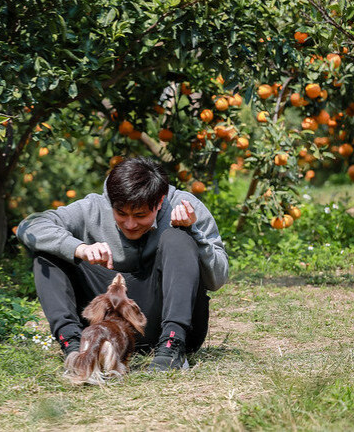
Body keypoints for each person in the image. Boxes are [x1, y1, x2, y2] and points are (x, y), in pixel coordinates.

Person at [16, 156, 228, 372]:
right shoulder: (93, 207)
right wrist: (80, 248)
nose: (130, 224)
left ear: (160, 201)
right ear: (111, 203)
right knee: (47, 253)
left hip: (164, 318)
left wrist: (193, 232)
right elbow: (29, 227)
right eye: (121, 213)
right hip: (104, 325)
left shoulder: (185, 206)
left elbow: (217, 280)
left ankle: (171, 348)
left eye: (140, 215)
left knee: (179, 238)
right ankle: (74, 348)